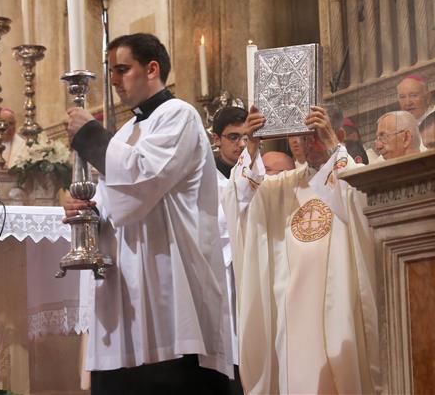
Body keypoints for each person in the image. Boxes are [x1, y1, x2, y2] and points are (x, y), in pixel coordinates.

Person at [63, 33, 232, 393]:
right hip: (126, 277)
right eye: (111, 72)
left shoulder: (179, 115)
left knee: (169, 372)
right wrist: (88, 207)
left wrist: (90, 135)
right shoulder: (125, 131)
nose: (114, 81)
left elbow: (145, 178)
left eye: (123, 70)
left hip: (168, 272)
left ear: (152, 69)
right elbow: (115, 200)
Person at [223, 104, 380, 394]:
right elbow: (240, 197)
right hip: (291, 316)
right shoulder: (283, 186)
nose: (308, 144)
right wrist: (253, 145)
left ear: (337, 134)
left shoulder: (353, 176)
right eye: (302, 137)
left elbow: (360, 203)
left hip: (342, 308)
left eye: (316, 135)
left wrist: (333, 147)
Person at [211, 105, 249, 395]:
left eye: (247, 137)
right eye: (234, 137)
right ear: (217, 139)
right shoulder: (206, 178)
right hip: (222, 272)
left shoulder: (256, 170)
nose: (242, 144)